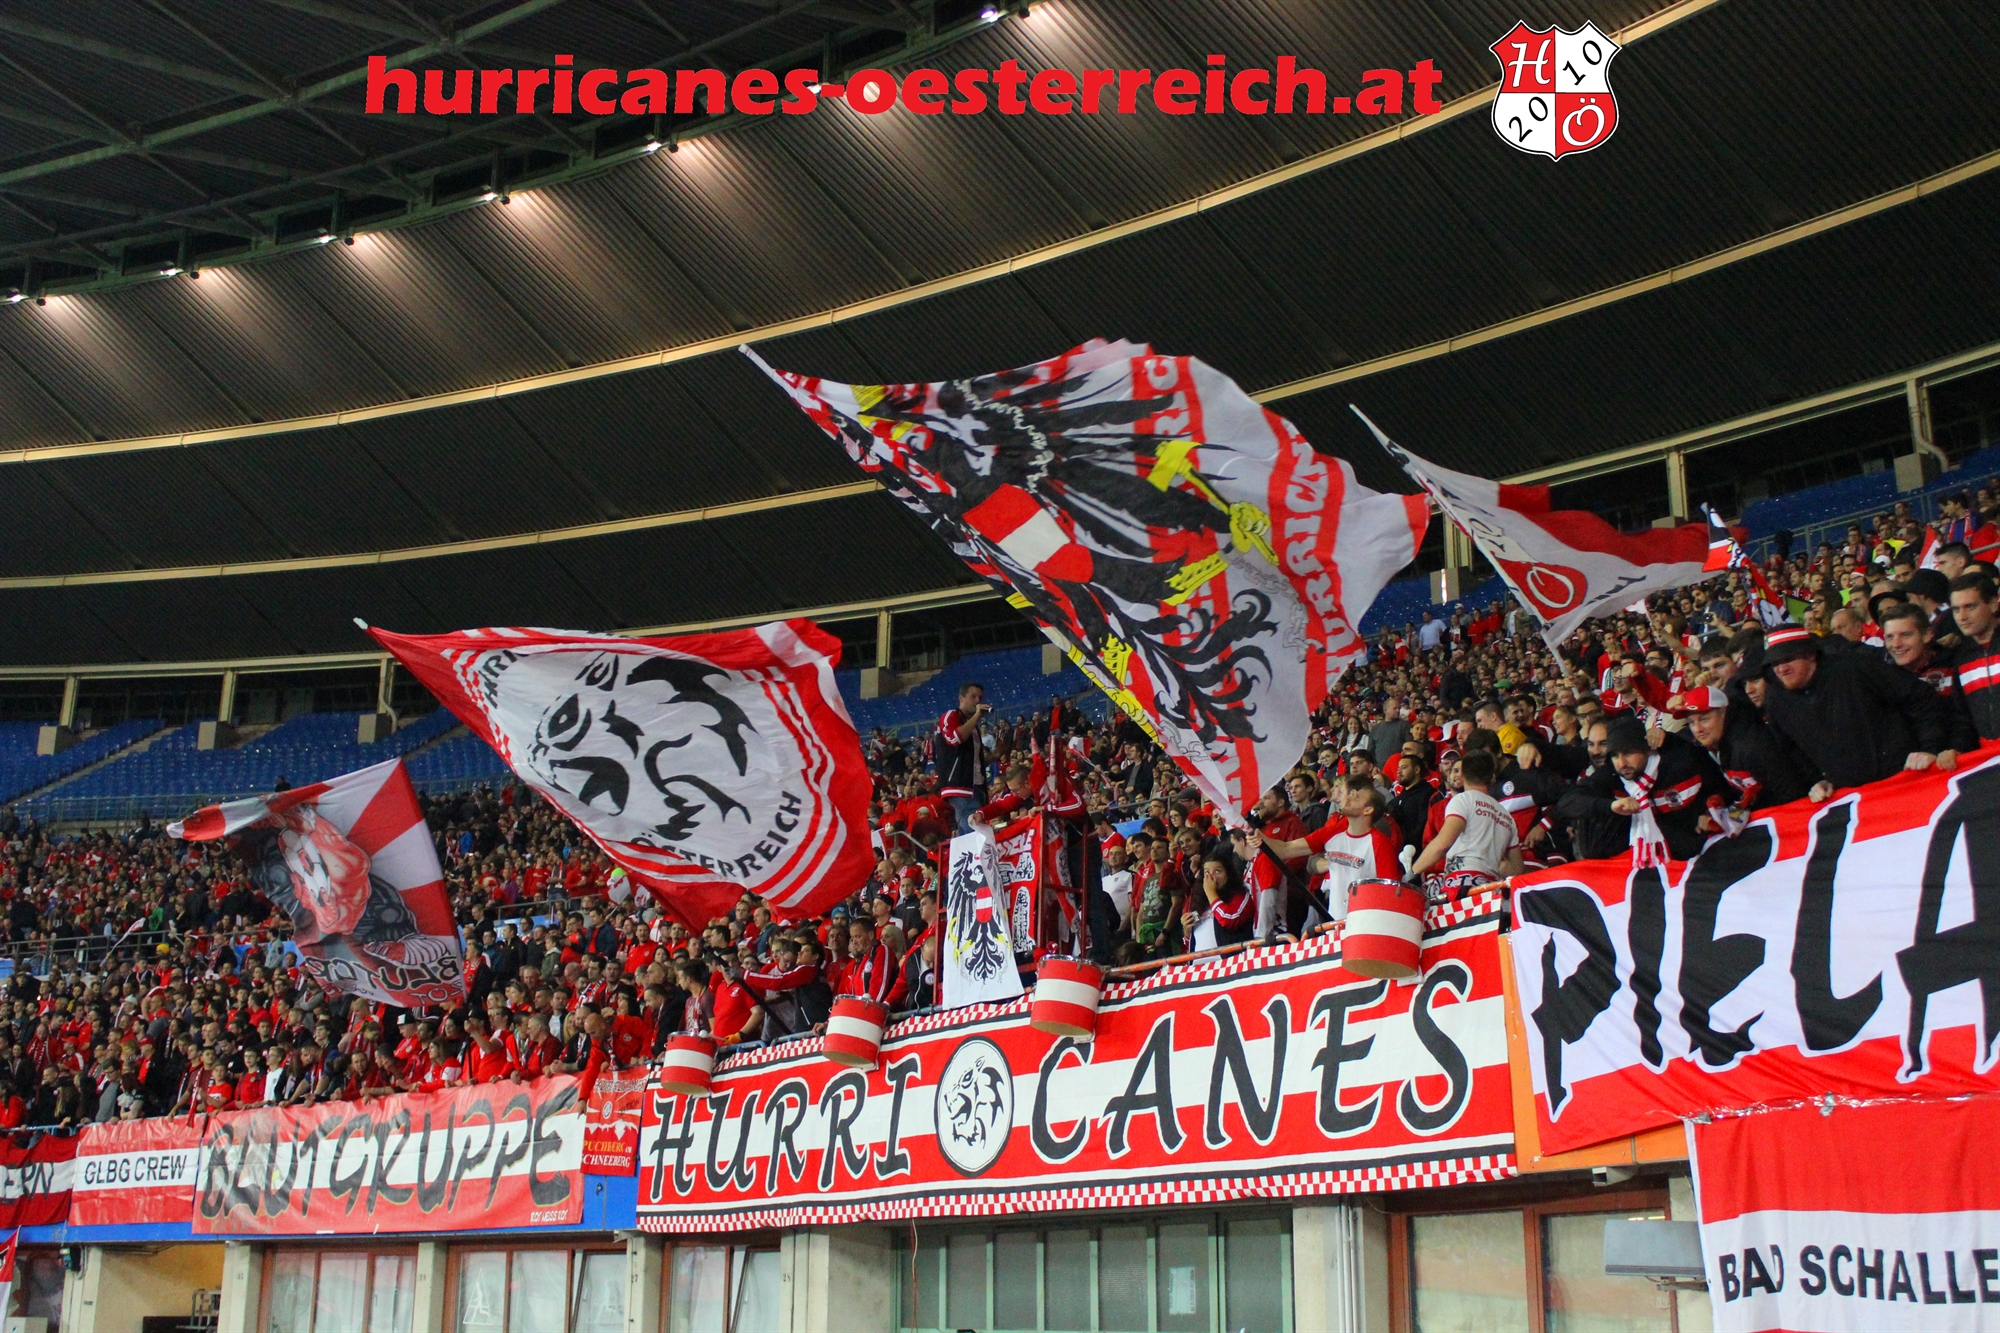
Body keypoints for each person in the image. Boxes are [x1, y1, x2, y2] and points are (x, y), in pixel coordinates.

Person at [1756, 623, 1955, 791]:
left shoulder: (1855, 668)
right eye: (1774, 663)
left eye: (1787, 659)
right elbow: (1790, 748)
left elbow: (1921, 698)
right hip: (1854, 799)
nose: (1781, 669)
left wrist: (1930, 748)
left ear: (1810, 655)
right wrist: (1817, 780)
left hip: (1907, 780)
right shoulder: (1776, 699)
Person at [1408, 750, 1522, 897]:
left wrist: (1413, 872)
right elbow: (1516, 869)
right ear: (1493, 778)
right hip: (1490, 891)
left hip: (1460, 887)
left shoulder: (1462, 800)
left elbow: (1442, 844)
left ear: (1462, 776)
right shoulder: (1506, 816)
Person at [1948, 573, 2000, 741]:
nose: (1961, 617)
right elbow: (1962, 718)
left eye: (1970, 607)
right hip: (1990, 755)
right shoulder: (1962, 658)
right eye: (1956, 609)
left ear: (1993, 604)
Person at [937, 682, 991, 834]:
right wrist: (976, 717)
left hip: (976, 785)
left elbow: (972, 760)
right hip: (960, 785)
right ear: (961, 698)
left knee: (967, 832)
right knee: (976, 831)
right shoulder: (951, 716)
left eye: (980, 697)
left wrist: (994, 756)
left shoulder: (973, 726)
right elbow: (954, 738)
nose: (977, 701)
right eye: (973, 696)